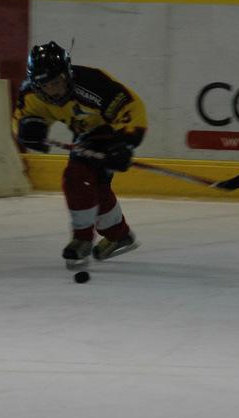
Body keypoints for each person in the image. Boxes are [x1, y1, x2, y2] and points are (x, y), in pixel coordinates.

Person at [12, 41, 148, 268]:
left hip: (109, 131)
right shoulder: (31, 93)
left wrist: (125, 143)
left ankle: (82, 239)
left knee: (77, 177)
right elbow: (22, 117)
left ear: (67, 74)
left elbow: (131, 108)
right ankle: (118, 235)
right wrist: (27, 128)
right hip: (84, 134)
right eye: (46, 85)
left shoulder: (92, 84)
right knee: (94, 185)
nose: (54, 90)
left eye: (57, 82)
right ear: (36, 85)